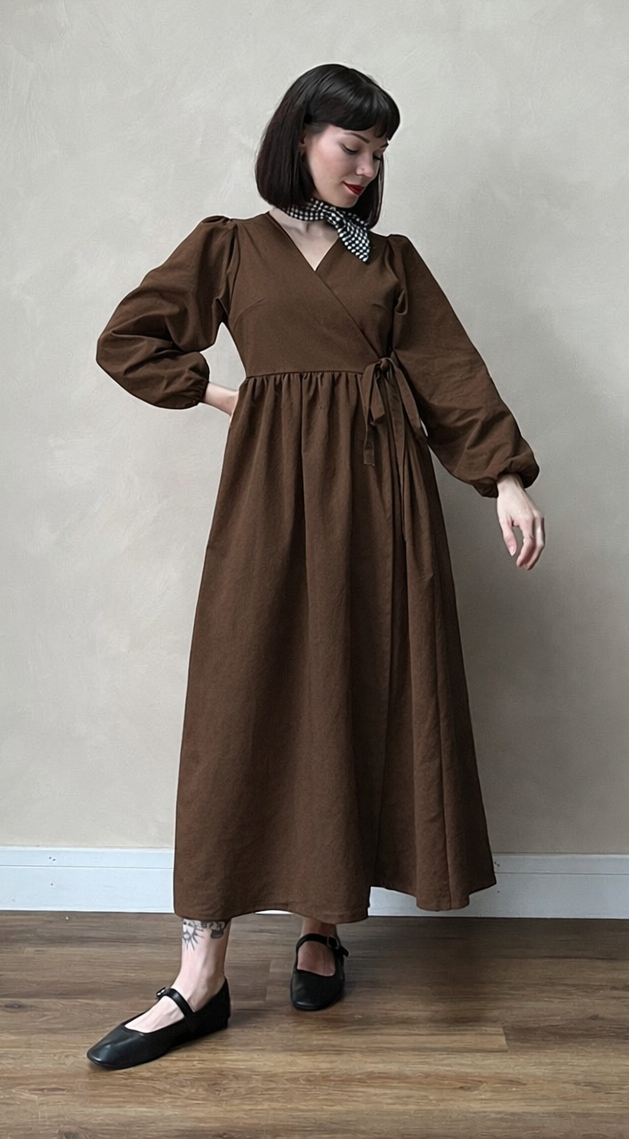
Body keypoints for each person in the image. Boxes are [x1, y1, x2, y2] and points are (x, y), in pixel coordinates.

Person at [87, 63, 544, 1071]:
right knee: (242, 704)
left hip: (385, 510)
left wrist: (503, 478)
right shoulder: (230, 246)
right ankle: (196, 976)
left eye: (380, 152)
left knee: (351, 701)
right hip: (270, 506)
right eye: (352, 145)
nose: (366, 166)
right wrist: (218, 395)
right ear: (301, 136)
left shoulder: (392, 261)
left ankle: (321, 924)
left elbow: (453, 376)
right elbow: (128, 340)